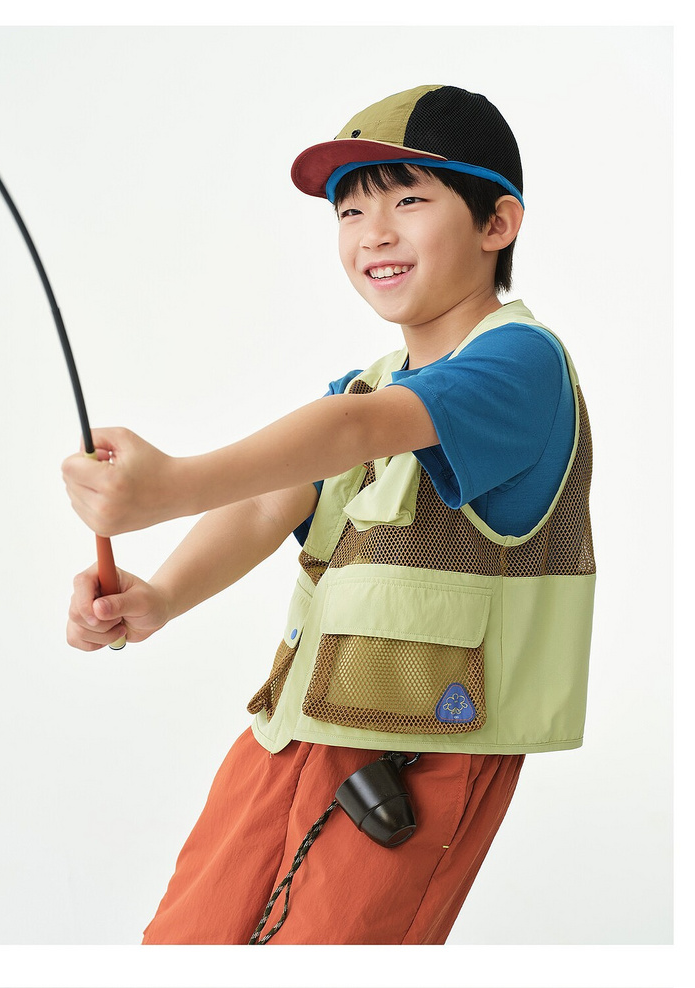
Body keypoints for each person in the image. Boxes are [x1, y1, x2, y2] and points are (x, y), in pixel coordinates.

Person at [62, 84, 596, 945]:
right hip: (289, 733)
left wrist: (171, 486)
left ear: (497, 223)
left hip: (416, 758)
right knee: (182, 943)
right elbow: (266, 503)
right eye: (349, 211)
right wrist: (157, 597)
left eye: (408, 200)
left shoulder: (520, 364)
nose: (372, 232)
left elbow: (354, 433)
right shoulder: (364, 387)